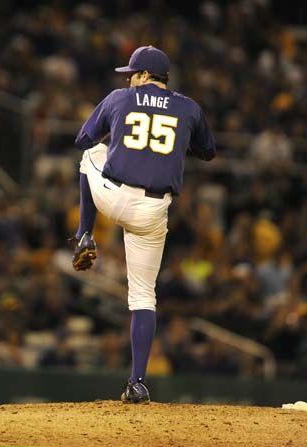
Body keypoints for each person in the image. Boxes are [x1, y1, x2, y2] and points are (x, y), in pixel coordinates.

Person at [71, 46, 216, 403]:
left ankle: (84, 234)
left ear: (141, 75)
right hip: (152, 212)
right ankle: (136, 383)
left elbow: (84, 140)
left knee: (90, 156)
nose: (128, 78)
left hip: (112, 196)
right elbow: (208, 152)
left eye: (130, 73)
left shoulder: (121, 97)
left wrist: (120, 133)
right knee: (143, 296)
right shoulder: (189, 107)